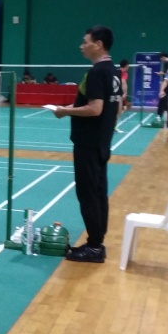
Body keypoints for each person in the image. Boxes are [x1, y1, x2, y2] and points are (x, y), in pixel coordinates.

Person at [50, 25, 121, 263]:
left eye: (85, 42)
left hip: (88, 143)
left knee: (88, 194)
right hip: (102, 141)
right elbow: (117, 107)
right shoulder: (113, 71)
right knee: (99, 193)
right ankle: (97, 241)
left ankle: (94, 247)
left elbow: (95, 108)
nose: (82, 46)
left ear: (98, 44)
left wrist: (65, 111)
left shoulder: (97, 73)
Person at [115, 58, 130, 132]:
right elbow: (123, 82)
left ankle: (113, 124)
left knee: (122, 108)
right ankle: (114, 125)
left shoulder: (116, 71)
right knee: (121, 109)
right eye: (128, 65)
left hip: (114, 92)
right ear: (126, 65)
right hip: (119, 93)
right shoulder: (124, 73)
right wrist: (125, 93)